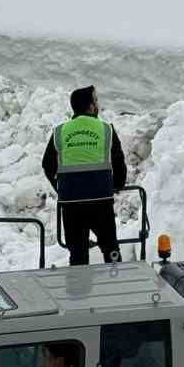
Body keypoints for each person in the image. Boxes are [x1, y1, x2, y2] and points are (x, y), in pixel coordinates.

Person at [42, 85, 127, 265]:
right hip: (101, 200)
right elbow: (119, 161)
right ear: (90, 106)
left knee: (78, 254)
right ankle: (118, 287)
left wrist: (61, 189)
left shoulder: (60, 131)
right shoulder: (106, 129)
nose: (98, 105)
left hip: (71, 203)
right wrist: (117, 185)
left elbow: (47, 165)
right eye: (96, 101)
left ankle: (79, 292)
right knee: (111, 249)